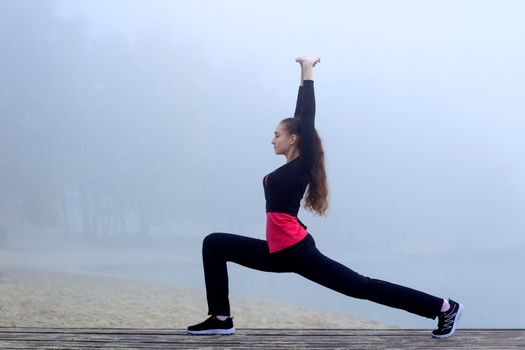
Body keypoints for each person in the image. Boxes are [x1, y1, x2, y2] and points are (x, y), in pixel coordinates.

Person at [187, 57, 463, 339]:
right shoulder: (290, 166)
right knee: (214, 244)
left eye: (276, 134)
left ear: (293, 138)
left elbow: (306, 118)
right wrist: (299, 77)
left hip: (297, 251)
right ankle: (220, 318)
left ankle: (443, 307)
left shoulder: (303, 165)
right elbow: (299, 118)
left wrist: (307, 71)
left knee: (360, 286)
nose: (272, 139)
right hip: (276, 251)